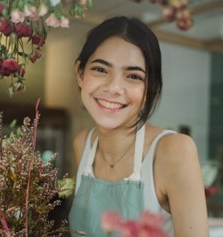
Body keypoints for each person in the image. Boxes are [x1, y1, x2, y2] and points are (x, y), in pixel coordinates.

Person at [69, 16, 209, 237]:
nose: (114, 87)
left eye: (133, 76)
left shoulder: (173, 151)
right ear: (80, 73)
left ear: (150, 88)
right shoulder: (83, 144)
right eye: (100, 69)